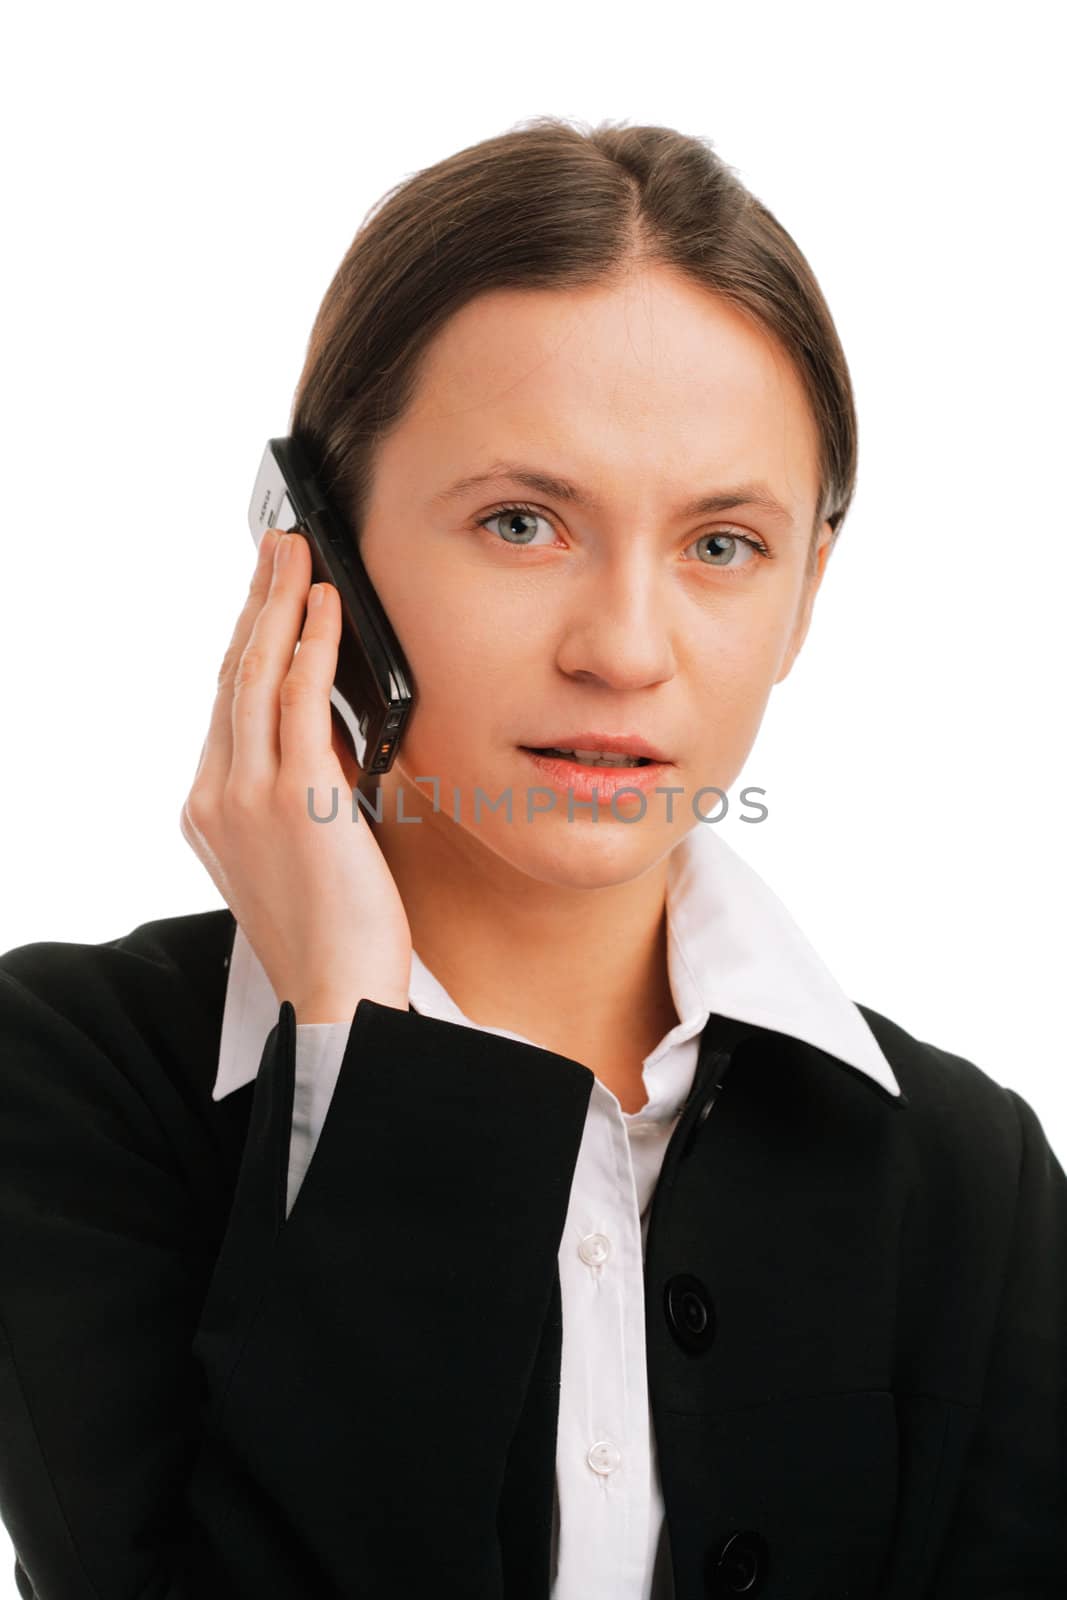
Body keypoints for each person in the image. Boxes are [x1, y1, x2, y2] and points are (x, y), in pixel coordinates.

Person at [1, 114, 1064, 1600]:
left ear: (807, 595)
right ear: (316, 552)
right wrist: (360, 1038)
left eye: (720, 546)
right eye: (522, 521)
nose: (625, 650)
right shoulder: (72, 1079)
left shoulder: (970, 1173)